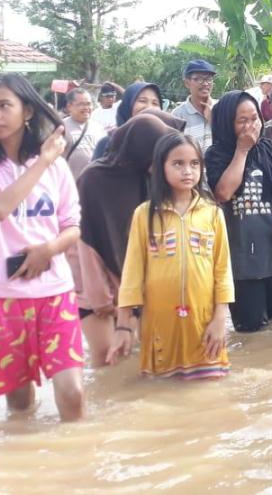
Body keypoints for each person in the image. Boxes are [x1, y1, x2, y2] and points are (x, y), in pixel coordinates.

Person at [0, 73, 85, 421]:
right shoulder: (47, 162)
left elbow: (73, 226)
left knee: (73, 392)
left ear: (27, 111)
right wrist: (43, 161)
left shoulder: (57, 167)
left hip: (55, 292)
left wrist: (49, 249)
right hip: (3, 297)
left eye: (4, 105)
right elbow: (0, 208)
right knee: (18, 403)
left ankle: (78, 461)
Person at [107, 133, 234, 378]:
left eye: (194, 164)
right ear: (159, 168)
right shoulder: (144, 215)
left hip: (204, 323)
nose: (187, 171)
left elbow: (223, 270)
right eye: (178, 163)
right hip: (159, 324)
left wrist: (220, 319)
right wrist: (123, 325)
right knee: (161, 390)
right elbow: (132, 273)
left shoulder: (212, 214)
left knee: (210, 392)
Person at [75, 113, 184, 366]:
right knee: (105, 362)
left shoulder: (148, 178)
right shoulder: (92, 179)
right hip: (94, 289)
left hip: (134, 287)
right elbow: (83, 242)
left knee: (139, 361)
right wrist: (100, 296)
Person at [206, 91, 272, 333]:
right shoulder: (216, 155)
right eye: (242, 121)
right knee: (251, 332)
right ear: (226, 123)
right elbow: (223, 193)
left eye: (254, 119)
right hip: (243, 263)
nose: (250, 126)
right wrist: (241, 151)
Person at [91, 81, 165, 160]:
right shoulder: (107, 145)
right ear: (129, 105)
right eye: (142, 101)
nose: (149, 107)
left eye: (155, 103)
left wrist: (112, 84)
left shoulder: (167, 145)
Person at [172, 59, 217, 151]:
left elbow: (230, 141)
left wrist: (213, 120)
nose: (205, 84)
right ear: (187, 83)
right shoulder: (178, 115)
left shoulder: (222, 107)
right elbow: (173, 149)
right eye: (199, 79)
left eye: (209, 79)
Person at [61, 88, 106, 179]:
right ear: (69, 106)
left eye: (89, 104)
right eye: (81, 104)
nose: (86, 108)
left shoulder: (98, 128)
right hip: (70, 184)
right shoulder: (60, 127)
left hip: (95, 182)